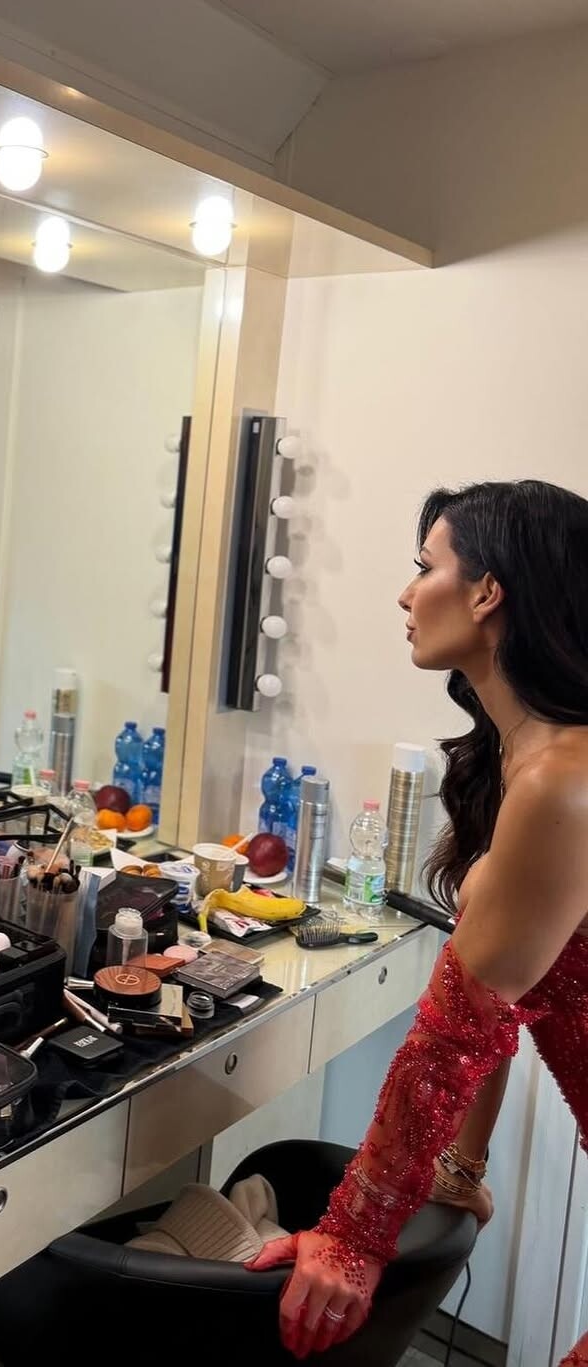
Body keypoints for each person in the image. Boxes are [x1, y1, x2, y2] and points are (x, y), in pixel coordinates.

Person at [250, 480, 588, 1364]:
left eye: (424, 567)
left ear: (488, 592)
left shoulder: (564, 783)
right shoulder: (530, 760)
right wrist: (460, 1168)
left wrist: (353, 1239)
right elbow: (499, 1004)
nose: (405, 595)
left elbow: (456, 1033)